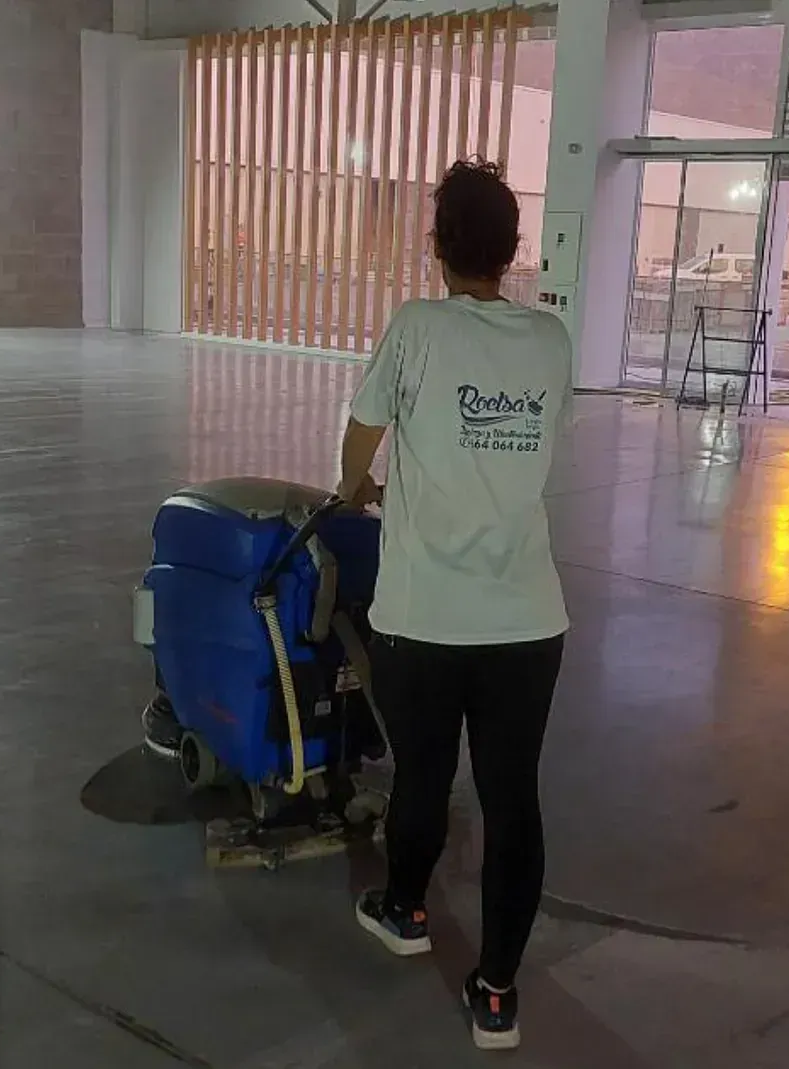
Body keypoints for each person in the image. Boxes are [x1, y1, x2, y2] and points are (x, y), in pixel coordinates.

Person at [337, 158, 573, 1051]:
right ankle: (498, 994)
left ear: (435, 247)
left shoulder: (415, 327)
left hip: (423, 615)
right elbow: (537, 446)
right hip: (525, 621)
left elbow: (364, 428)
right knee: (514, 800)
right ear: (511, 252)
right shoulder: (549, 341)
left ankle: (404, 911)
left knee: (423, 777)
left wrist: (355, 485)